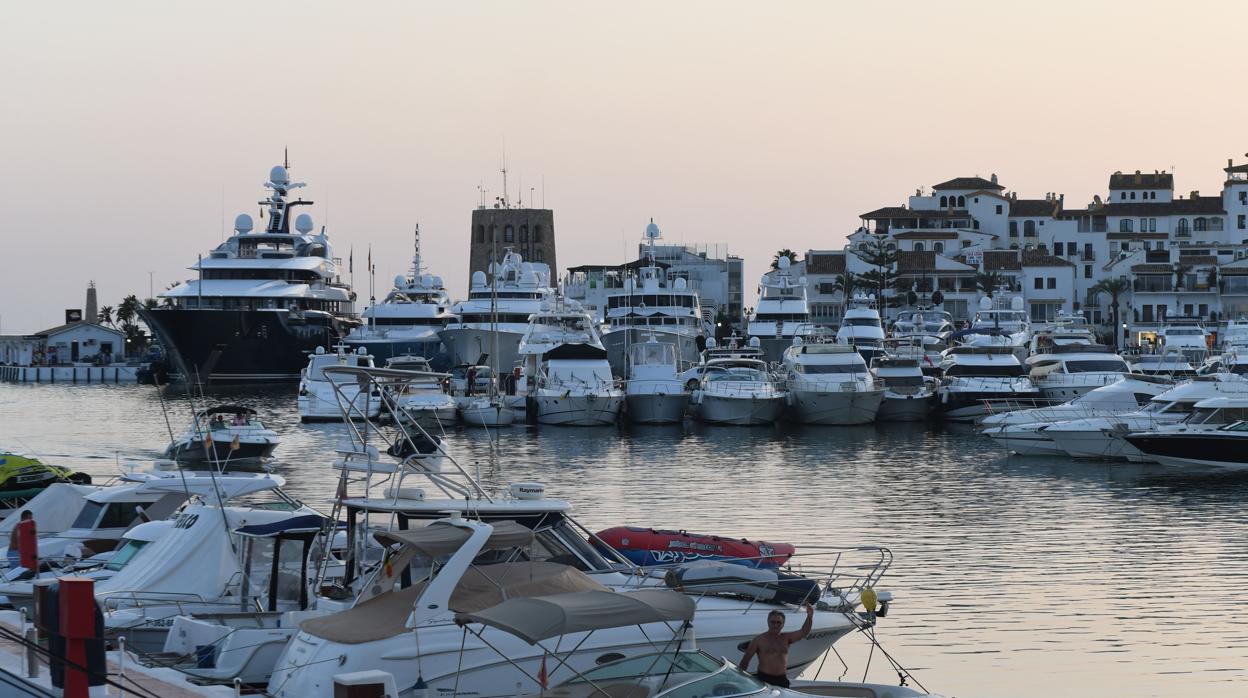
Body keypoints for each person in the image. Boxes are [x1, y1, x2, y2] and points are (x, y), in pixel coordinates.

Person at [739, 604, 814, 688]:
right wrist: (741, 680)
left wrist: (809, 616)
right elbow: (745, 661)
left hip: (781, 679)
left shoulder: (786, 638)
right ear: (768, 621)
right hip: (763, 679)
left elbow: (804, 631)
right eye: (773, 622)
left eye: (779, 622)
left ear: (783, 624)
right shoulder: (758, 640)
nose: (775, 625)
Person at [8, 511, 37, 579]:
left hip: (16, 553)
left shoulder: (22, 526)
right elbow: (20, 540)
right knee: (16, 576)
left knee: (21, 574)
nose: (31, 520)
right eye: (29, 518)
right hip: (15, 553)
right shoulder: (20, 527)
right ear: (24, 517)